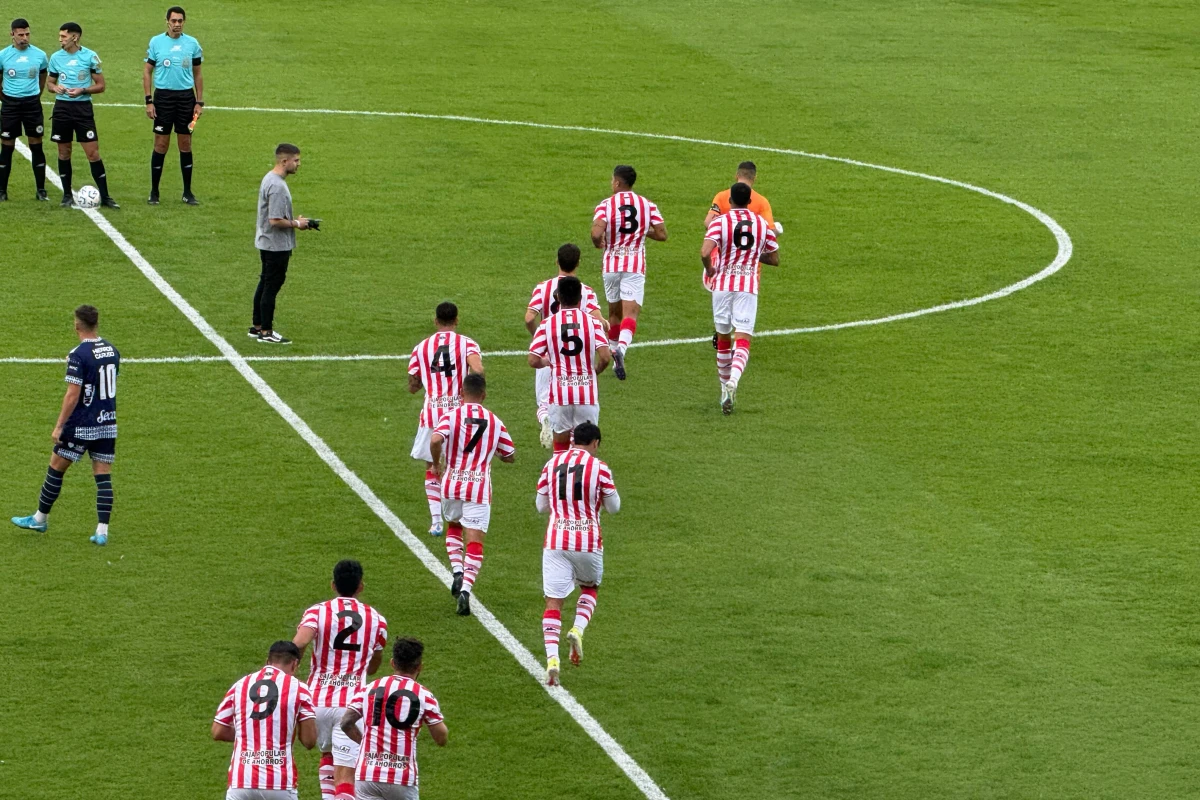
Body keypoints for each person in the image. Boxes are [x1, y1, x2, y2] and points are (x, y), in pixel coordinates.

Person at [11, 305, 119, 545]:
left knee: (56, 467)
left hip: (81, 423)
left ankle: (40, 519)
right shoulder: (112, 350)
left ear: (77, 325)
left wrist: (59, 425)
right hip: (107, 422)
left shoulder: (78, 354)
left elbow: (73, 394)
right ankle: (102, 532)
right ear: (96, 324)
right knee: (103, 475)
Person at [293, 560, 388, 800]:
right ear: (361, 586)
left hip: (318, 702)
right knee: (346, 775)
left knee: (327, 756)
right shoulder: (377, 619)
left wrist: (291, 673)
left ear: (333, 585)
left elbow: (300, 642)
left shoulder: (317, 611)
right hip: (353, 705)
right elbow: (375, 663)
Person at [535, 422, 619, 686]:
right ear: (595, 443)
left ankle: (552, 660)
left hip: (556, 540)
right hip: (588, 542)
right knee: (590, 587)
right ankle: (577, 629)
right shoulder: (600, 468)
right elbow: (614, 507)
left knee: (553, 603)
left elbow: (540, 505)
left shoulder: (552, 464)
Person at [429, 373, 515, 617]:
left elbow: (436, 439)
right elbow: (509, 454)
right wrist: (495, 453)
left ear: (461, 394)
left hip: (452, 482)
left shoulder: (451, 415)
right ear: (484, 395)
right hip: (479, 486)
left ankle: (457, 570)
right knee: (475, 541)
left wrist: (436, 464)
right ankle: (466, 590)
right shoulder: (495, 421)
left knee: (454, 526)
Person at [701, 181, 780, 414]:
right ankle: (733, 382)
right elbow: (774, 258)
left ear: (731, 200)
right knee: (743, 338)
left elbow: (705, 251)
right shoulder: (761, 224)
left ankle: (723, 388)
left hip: (722, 285)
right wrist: (754, 257)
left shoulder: (720, 222)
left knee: (723, 338)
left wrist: (710, 269)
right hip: (747, 286)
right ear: (749, 201)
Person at [408, 302, 483, 537]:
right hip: (458, 415)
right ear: (457, 320)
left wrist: (422, 383)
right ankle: (459, 515)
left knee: (432, 466)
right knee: (457, 464)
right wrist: (467, 387)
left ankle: (436, 521)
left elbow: (412, 384)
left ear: (435, 320)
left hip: (432, 414)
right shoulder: (467, 343)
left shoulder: (421, 347)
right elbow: (478, 370)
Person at [340, 638, 448, 800]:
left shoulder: (370, 689)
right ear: (420, 667)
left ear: (392, 663)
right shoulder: (424, 695)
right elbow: (441, 738)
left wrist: (364, 742)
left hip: (367, 774)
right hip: (401, 778)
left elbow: (345, 722)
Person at [524, 243, 606, 448]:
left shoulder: (543, 289)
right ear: (578, 263)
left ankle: (546, 419)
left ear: (557, 261)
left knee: (547, 406)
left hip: (553, 361)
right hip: (584, 379)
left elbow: (528, 319)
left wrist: (543, 341)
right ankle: (581, 469)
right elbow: (603, 340)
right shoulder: (585, 291)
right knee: (584, 437)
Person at [213, 641, 317, 800]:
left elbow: (217, 731)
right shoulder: (299, 688)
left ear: (267, 662)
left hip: (241, 781)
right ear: (295, 664)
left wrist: (248, 734)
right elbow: (309, 741)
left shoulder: (240, 685)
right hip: (279, 783)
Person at [590, 164, 666, 380]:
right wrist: (643, 232)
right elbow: (662, 234)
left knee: (614, 313)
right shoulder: (647, 205)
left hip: (611, 265)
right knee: (630, 313)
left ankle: (614, 357)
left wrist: (599, 242)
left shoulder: (606, 204)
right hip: (634, 265)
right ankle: (620, 350)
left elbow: (596, 231)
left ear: (617, 182)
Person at [47, 21, 117, 208]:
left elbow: (101, 85)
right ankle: (67, 195)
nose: (60, 39)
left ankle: (106, 197)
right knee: (64, 152)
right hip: (62, 108)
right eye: (60, 36)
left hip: (83, 109)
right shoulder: (55, 58)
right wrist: (56, 88)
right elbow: (49, 83)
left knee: (93, 153)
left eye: (63, 36)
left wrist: (83, 90)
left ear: (74, 37)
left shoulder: (90, 57)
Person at [251, 143, 312, 344]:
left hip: (266, 242)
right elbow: (275, 220)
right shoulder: (277, 186)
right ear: (284, 161)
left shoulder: (270, 178)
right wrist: (297, 224)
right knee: (271, 286)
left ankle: (257, 326)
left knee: (265, 282)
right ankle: (266, 332)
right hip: (276, 245)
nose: (298, 164)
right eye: (296, 160)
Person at [143, 5, 203, 205]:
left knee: (185, 144)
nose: (177, 24)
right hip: (163, 98)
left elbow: (198, 74)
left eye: (180, 21)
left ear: (184, 22)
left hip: (186, 98)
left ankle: (187, 192)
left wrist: (199, 101)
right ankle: (154, 192)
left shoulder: (193, 44)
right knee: (161, 144)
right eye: (173, 21)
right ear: (167, 21)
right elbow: (147, 72)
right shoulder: (156, 42)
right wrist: (149, 101)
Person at [702, 160, 779, 292]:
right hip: (749, 270)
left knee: (721, 305)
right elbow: (770, 233)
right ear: (754, 178)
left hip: (724, 262)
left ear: (736, 175)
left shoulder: (722, 196)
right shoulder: (761, 202)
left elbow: (708, 223)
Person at [0, 18, 50, 201]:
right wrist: (4, 97)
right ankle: (2, 191)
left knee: (36, 145)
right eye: (20, 34)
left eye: (27, 34)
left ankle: (41, 190)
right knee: (7, 147)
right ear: (12, 34)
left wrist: (37, 94)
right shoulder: (3, 55)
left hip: (32, 105)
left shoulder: (39, 55)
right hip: (10, 105)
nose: (24, 38)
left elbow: (43, 75)